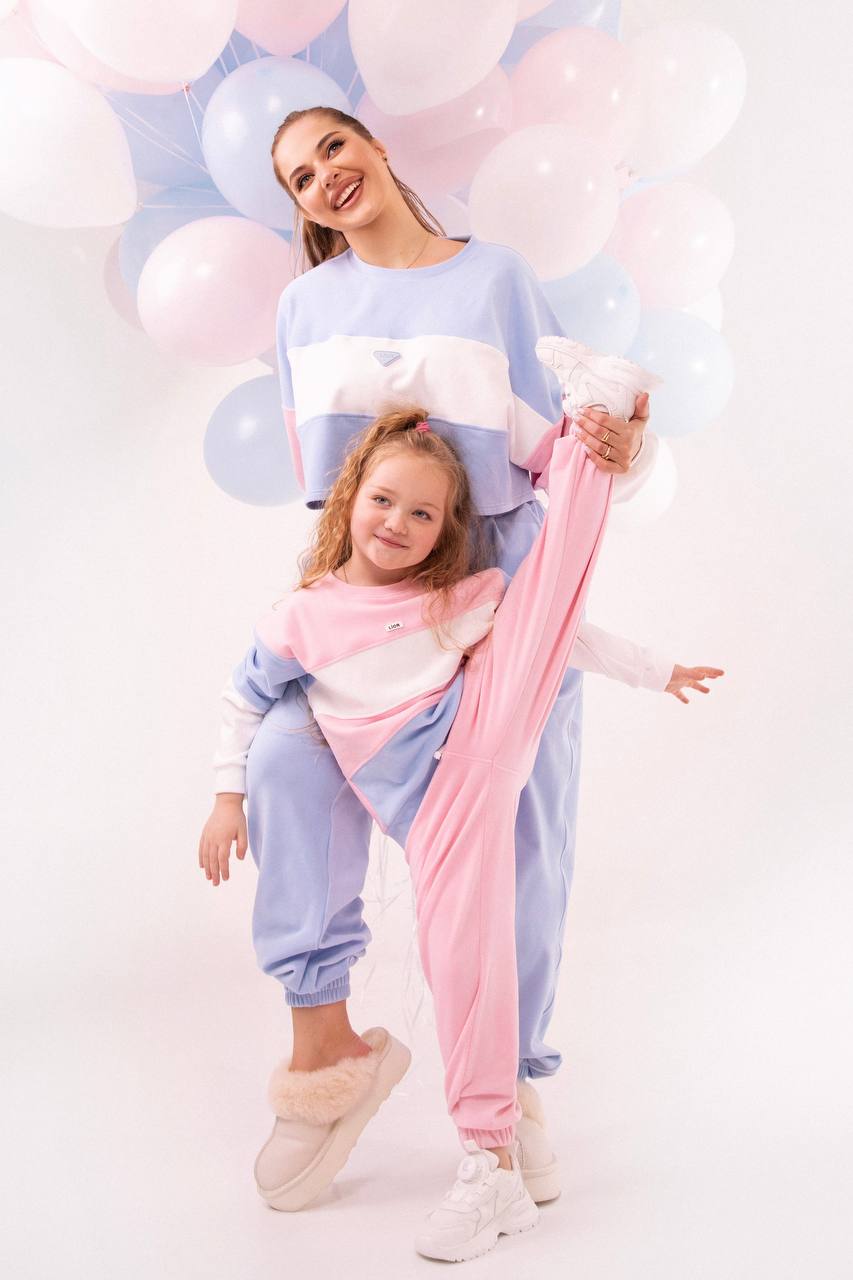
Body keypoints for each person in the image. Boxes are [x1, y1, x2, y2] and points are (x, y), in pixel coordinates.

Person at [199, 401, 722, 1261]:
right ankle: (493, 1161)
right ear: (347, 499)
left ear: (445, 531)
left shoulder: (452, 598)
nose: (395, 523)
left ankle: (489, 1162)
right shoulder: (298, 618)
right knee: (459, 957)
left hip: (474, 745)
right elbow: (242, 701)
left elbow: (564, 635)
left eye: (422, 513)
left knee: (535, 610)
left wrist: (656, 671)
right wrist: (227, 799)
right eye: (382, 500)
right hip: (426, 805)